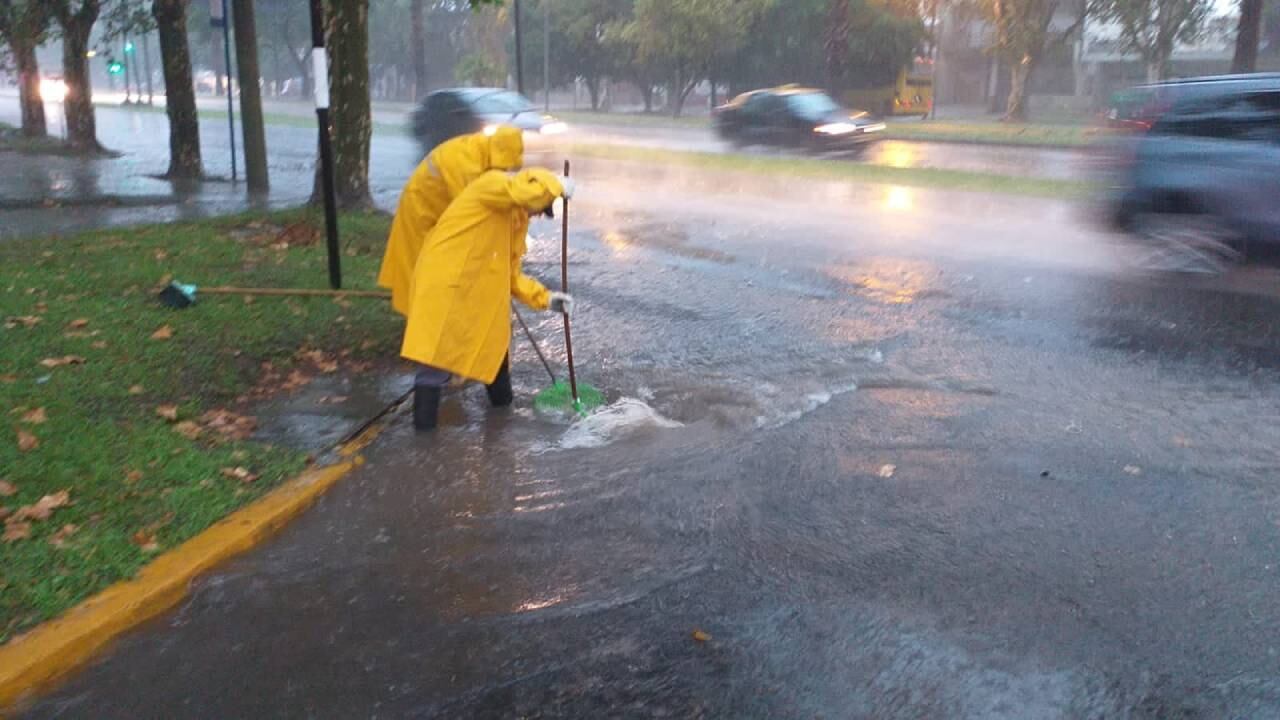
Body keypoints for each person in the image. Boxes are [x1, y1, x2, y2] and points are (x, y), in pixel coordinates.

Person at [401, 167, 576, 431]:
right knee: (435, 361)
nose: (538, 213)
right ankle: (423, 442)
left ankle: (502, 419)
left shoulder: (517, 220)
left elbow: (510, 272)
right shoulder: (493, 186)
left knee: (495, 349)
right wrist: (555, 185)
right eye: (541, 206)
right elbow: (522, 192)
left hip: (478, 290)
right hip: (445, 285)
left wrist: (546, 299)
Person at [378, 126, 525, 317]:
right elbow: (474, 213)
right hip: (422, 213)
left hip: (437, 210)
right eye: (503, 167)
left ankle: (434, 323)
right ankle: (422, 328)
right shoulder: (466, 165)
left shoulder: (479, 149)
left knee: (437, 272)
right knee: (420, 272)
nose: (504, 171)